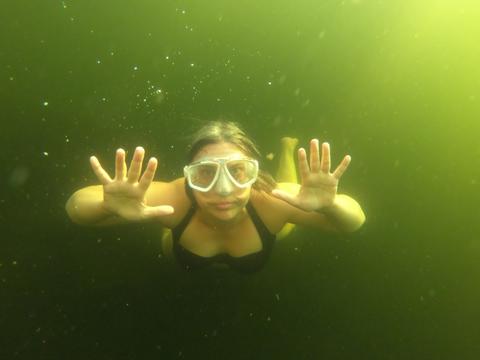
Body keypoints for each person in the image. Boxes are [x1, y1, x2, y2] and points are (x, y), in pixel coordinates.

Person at [65, 121, 365, 272]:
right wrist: (108, 205)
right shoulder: (174, 198)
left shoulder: (274, 202)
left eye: (239, 171)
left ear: (254, 173)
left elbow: (354, 221)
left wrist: (332, 204)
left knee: (291, 190)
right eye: (206, 173)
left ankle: (287, 149)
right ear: (189, 176)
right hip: (179, 250)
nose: (224, 190)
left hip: (275, 218)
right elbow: (76, 206)